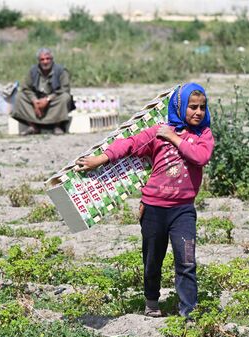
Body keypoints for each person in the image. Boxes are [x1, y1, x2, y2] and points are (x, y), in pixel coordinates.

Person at [75, 83, 215, 319]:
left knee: (187, 261)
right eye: (192, 107)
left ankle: (189, 312)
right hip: (154, 209)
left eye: (202, 107)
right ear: (180, 107)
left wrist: (174, 138)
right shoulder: (158, 132)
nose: (198, 112)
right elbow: (129, 144)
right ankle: (152, 302)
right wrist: (100, 159)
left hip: (183, 211)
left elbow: (200, 157)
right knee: (152, 260)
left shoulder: (203, 134)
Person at [11, 48, 74, 135]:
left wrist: (47, 99)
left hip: (53, 99)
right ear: (39, 61)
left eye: (48, 59)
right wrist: (35, 101)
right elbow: (26, 88)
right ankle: (33, 126)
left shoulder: (61, 70)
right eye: (42, 59)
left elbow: (65, 89)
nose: (45, 62)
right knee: (19, 96)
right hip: (37, 100)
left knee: (65, 97)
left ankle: (57, 126)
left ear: (52, 59)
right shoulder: (33, 71)